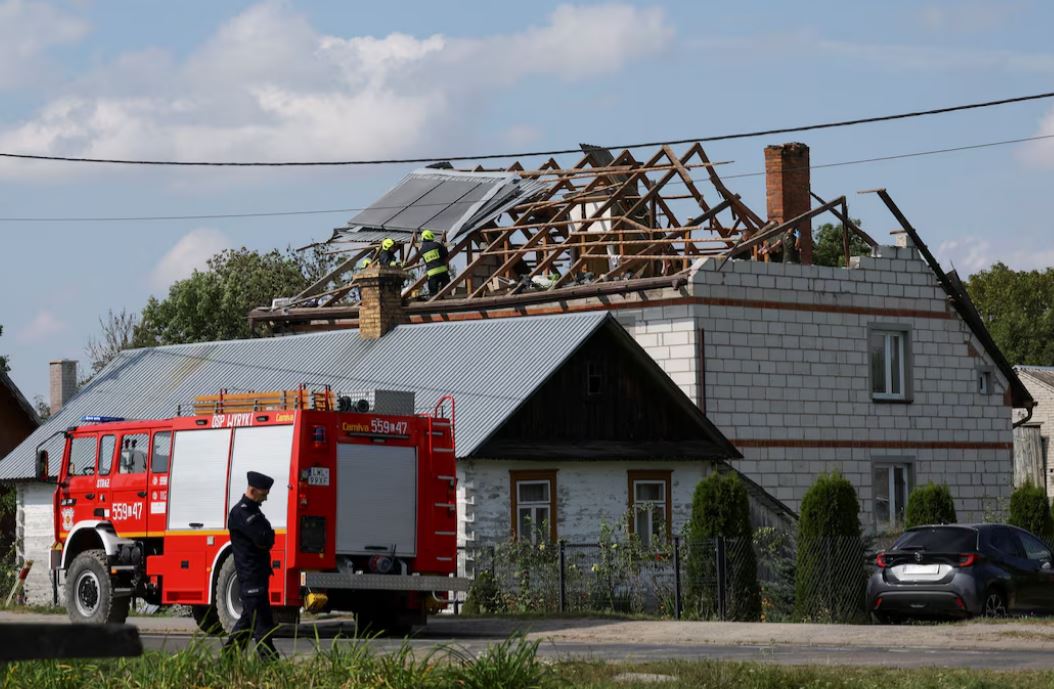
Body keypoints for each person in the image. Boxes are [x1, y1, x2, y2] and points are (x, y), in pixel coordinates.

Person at [222, 471, 279, 660]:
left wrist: (268, 535)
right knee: (263, 626)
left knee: (247, 623)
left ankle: (227, 660)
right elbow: (264, 538)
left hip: (257, 577)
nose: (266, 498)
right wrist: (268, 535)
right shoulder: (242, 513)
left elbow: (267, 537)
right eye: (264, 494)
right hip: (251, 577)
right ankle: (271, 666)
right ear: (253, 490)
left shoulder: (253, 511)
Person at [419, 229, 450, 295]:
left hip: (431, 274)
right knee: (447, 289)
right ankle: (445, 298)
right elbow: (446, 254)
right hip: (442, 271)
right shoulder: (437, 245)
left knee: (433, 293)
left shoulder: (421, 250)